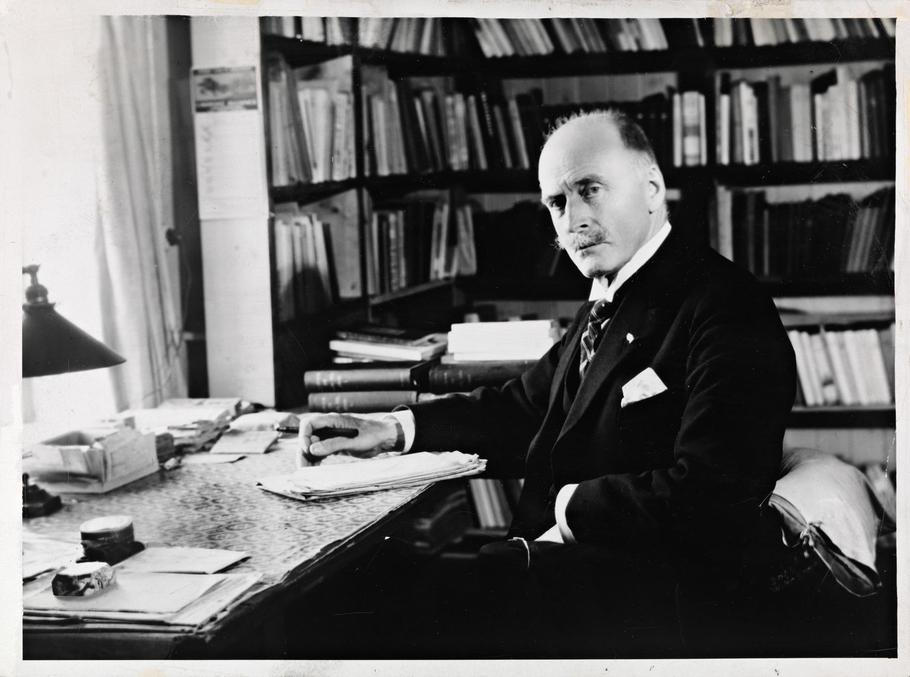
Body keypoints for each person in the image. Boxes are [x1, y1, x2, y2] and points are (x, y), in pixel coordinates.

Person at [298, 110, 797, 657]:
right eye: (557, 203)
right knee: (358, 600)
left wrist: (564, 511)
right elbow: (527, 408)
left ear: (651, 188)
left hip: (651, 606)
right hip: (571, 574)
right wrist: (391, 430)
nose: (573, 220)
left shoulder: (724, 303)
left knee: (350, 618)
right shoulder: (612, 295)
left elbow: (714, 491)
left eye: (590, 190)